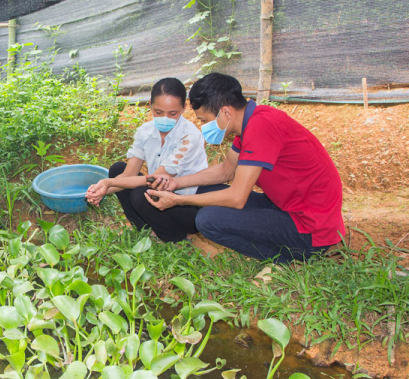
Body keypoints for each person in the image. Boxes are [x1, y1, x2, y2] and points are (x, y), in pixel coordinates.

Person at [146, 72, 345, 263]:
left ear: (225, 112)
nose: (204, 127)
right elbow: (226, 170)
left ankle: (287, 258)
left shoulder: (261, 127)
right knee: (203, 190)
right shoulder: (250, 123)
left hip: (310, 227)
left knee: (208, 220)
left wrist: (178, 200)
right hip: (284, 206)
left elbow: (237, 198)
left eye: (205, 121)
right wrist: (177, 183)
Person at [85, 77, 212, 242]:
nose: (165, 118)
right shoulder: (145, 131)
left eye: (172, 113)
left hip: (186, 205)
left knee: (141, 193)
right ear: (150, 105)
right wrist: (101, 191)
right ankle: (146, 229)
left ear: (183, 108)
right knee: (118, 169)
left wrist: (109, 183)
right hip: (159, 192)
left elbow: (155, 179)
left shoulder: (190, 136)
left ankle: (175, 237)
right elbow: (129, 174)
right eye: (158, 112)